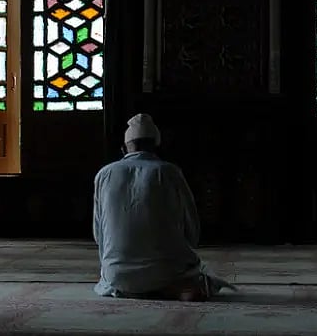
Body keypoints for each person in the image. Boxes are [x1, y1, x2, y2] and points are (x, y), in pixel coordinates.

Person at [92, 113, 233, 301]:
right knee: (195, 270)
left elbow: (97, 233)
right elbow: (192, 231)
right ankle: (172, 287)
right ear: (156, 146)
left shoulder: (104, 174)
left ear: (124, 148)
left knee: (114, 275)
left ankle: (135, 288)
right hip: (165, 272)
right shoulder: (169, 171)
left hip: (117, 275)